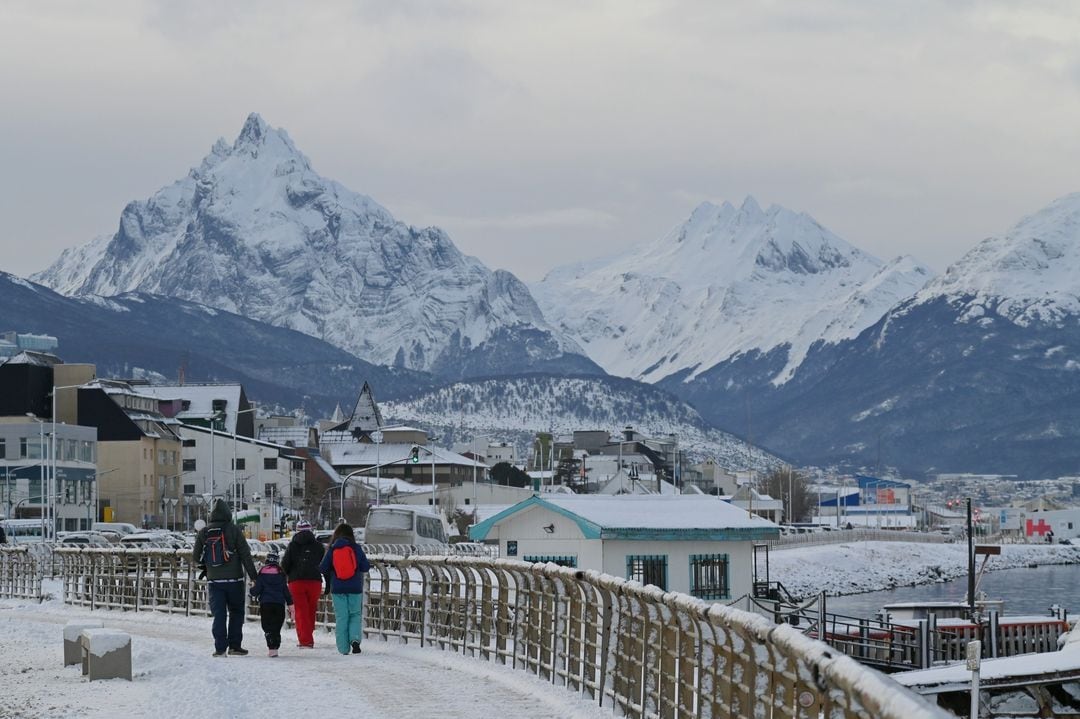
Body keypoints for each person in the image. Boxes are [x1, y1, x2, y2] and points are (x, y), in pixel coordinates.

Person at [192, 499, 258, 657]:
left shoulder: (204, 532)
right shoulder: (234, 530)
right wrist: (254, 576)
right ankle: (235, 646)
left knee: (219, 614)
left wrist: (207, 567)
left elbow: (195, 557)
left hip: (214, 581)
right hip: (235, 580)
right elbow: (245, 555)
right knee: (236, 612)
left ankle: (220, 648)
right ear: (228, 514)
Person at [319, 522, 370, 655]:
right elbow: (365, 567)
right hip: (355, 587)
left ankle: (343, 648)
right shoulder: (356, 548)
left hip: (338, 588)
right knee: (355, 615)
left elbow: (323, 567)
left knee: (342, 617)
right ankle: (355, 640)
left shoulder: (333, 549)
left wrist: (334, 569)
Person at [280, 519, 325, 648]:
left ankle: (305, 641)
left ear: (297, 530)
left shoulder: (293, 545)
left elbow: (285, 564)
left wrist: (288, 574)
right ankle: (308, 635)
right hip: (315, 582)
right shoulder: (318, 546)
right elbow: (322, 562)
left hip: (296, 582)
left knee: (300, 611)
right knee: (310, 610)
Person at [250, 549, 293, 657]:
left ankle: (271, 644)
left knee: (267, 626)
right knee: (277, 626)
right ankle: (275, 645)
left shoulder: (262, 574)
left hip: (266, 604)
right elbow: (285, 591)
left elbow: (256, 591)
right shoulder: (281, 574)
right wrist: (290, 604)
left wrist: (251, 590)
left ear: (267, 561)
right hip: (279, 604)